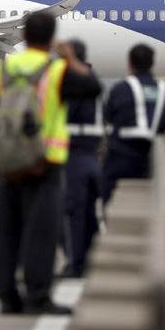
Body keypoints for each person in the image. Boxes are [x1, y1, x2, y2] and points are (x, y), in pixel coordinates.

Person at [0, 12, 101, 316]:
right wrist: (70, 58)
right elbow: (92, 88)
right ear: (52, 38)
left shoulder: (4, 69)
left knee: (6, 230)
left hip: (10, 160)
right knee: (41, 232)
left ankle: (7, 298)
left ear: (24, 37)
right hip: (45, 162)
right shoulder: (57, 71)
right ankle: (38, 296)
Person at [102, 44, 165, 202]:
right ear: (153, 63)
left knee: (113, 200)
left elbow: (108, 116)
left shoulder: (120, 89)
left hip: (120, 155)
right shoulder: (164, 91)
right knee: (145, 201)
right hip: (150, 157)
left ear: (130, 64)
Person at [61, 40, 103, 278]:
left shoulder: (70, 82)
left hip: (73, 155)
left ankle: (77, 265)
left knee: (73, 212)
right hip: (91, 155)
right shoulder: (94, 80)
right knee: (89, 212)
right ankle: (93, 258)